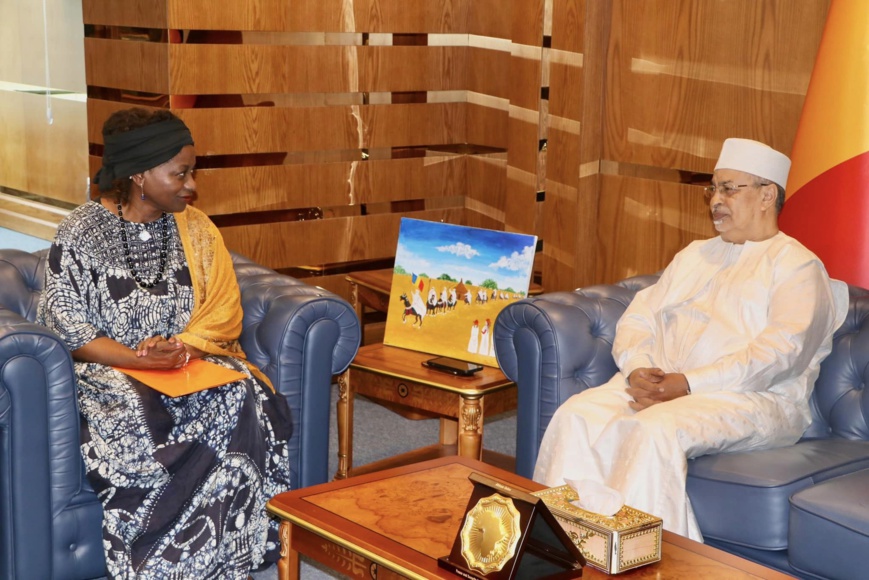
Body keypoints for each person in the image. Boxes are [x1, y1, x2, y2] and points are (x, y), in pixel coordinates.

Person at [533, 138, 849, 541]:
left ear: (767, 195)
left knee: (654, 429)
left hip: (756, 400)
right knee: (577, 414)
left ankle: (646, 559)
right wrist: (639, 369)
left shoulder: (797, 266)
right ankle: (557, 546)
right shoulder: (695, 254)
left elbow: (779, 356)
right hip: (666, 387)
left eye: (729, 189)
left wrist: (688, 384)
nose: (716, 201)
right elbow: (640, 317)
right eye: (713, 189)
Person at [37, 108, 292, 578]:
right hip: (107, 373)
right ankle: (160, 561)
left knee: (241, 391)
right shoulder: (81, 232)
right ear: (139, 174)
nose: (191, 184)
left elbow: (223, 312)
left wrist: (182, 350)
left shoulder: (196, 229)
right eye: (180, 173)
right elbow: (69, 330)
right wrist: (139, 359)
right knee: (135, 412)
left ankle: (225, 555)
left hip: (184, 364)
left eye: (192, 172)